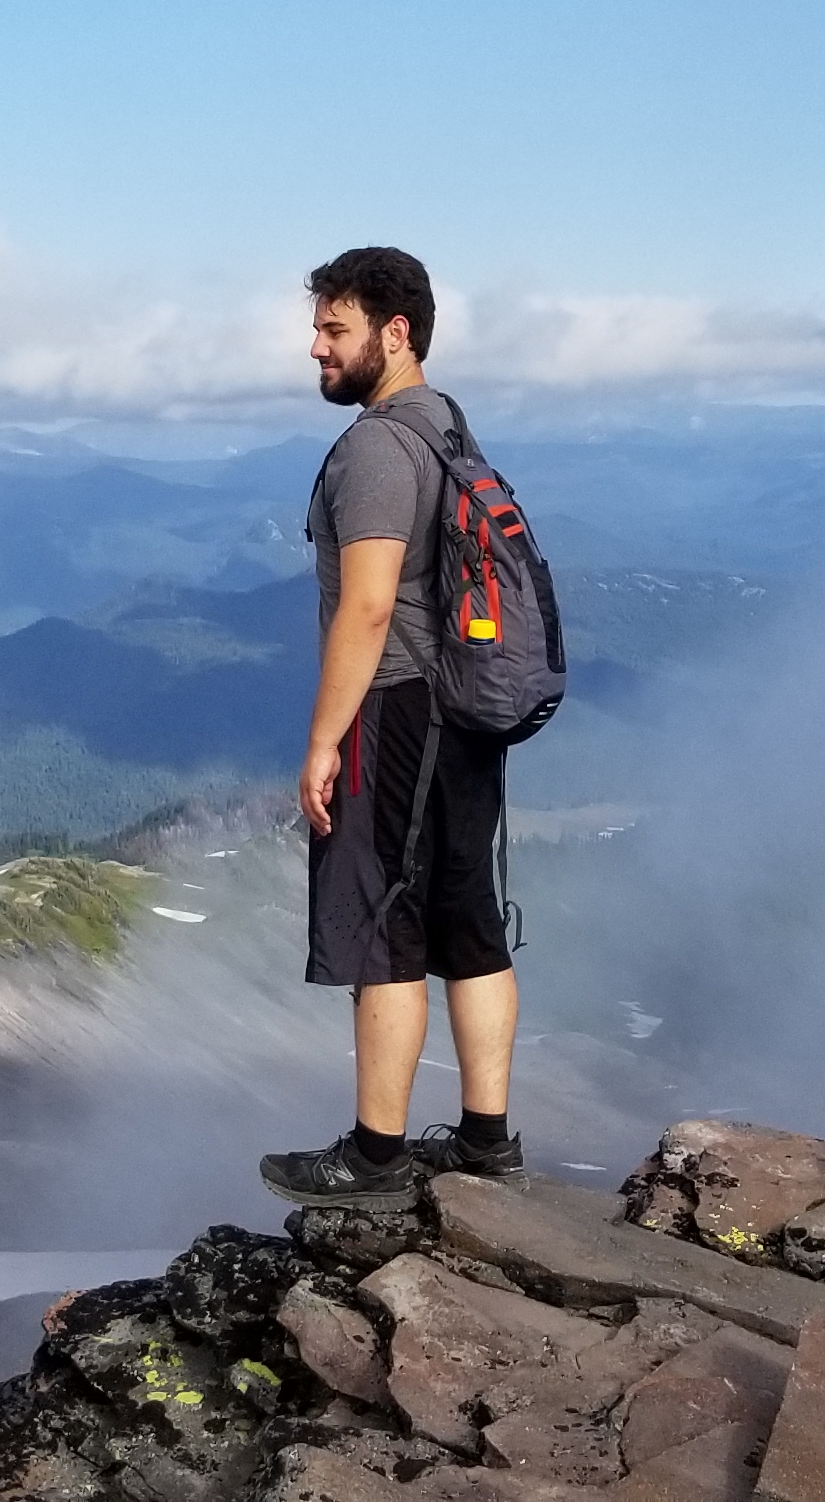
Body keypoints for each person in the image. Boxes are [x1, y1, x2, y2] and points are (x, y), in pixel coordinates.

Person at [258, 246, 524, 1209]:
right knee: (469, 918)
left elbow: (367, 608)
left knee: (385, 930)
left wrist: (327, 739)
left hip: (398, 704)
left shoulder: (376, 446)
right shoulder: (447, 426)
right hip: (467, 706)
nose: (315, 349)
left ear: (393, 332)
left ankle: (375, 1160)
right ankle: (488, 1143)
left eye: (335, 329)